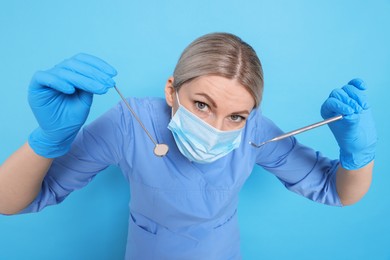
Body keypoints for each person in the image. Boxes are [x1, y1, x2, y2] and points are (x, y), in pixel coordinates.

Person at [0, 32, 377, 259]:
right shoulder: (129, 124)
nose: (216, 128)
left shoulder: (257, 133)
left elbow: (337, 191)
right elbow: (9, 201)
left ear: (251, 115)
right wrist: (48, 140)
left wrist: (357, 154)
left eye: (236, 116)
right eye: (201, 105)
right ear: (171, 90)